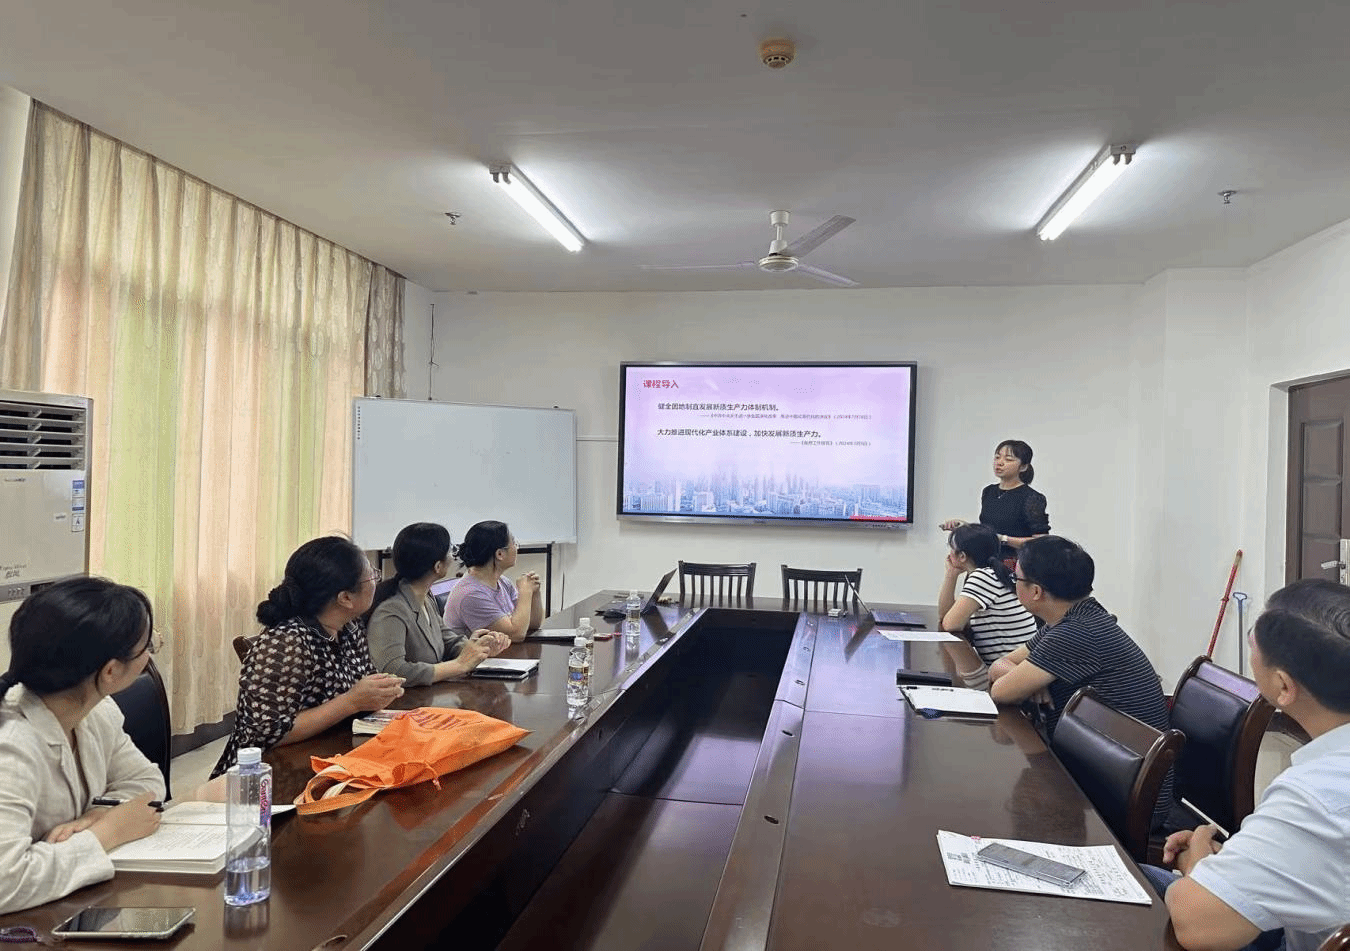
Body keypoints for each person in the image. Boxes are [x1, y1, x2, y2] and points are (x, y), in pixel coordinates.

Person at [1148, 579, 1350, 951]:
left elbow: (1197, 926)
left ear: (1283, 686)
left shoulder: (1314, 796)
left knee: (1139, 884)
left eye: (1253, 644)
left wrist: (1197, 862)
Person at [0, 577, 166, 915]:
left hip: (63, 908)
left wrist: (99, 813)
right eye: (146, 647)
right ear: (110, 671)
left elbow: (146, 781)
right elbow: (5, 881)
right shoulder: (12, 746)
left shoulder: (95, 711)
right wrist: (107, 833)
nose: (150, 654)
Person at [989, 535, 1173, 825]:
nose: (1014, 584)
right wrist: (1031, 680)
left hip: (1131, 800)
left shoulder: (1074, 633)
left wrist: (1027, 680)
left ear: (1035, 591)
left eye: (1016, 578)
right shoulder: (1073, 619)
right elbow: (1001, 665)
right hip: (1107, 773)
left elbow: (1000, 691)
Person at [212, 536, 406, 778]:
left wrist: (377, 693)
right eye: (372, 576)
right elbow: (267, 732)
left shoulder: (349, 627)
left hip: (328, 754)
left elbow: (361, 685)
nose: (377, 581)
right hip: (265, 776)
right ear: (345, 598)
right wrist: (351, 702)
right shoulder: (286, 642)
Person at [365, 522, 511, 686]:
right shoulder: (391, 610)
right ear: (438, 566)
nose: (453, 556)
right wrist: (458, 666)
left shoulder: (425, 599)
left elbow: (448, 641)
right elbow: (393, 670)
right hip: (407, 699)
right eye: (449, 551)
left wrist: (479, 648)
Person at [937, 523, 1038, 689]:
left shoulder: (983, 577)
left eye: (951, 548)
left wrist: (950, 575)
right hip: (1011, 672)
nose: (949, 554)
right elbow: (945, 617)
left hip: (1010, 678)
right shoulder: (993, 573)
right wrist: (951, 575)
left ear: (962, 556)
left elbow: (950, 624)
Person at [940, 439, 1050, 562]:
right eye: (997, 457)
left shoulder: (1032, 498)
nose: (1000, 463)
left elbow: (1041, 543)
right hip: (986, 562)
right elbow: (988, 530)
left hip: (1015, 564)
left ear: (1023, 467)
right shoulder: (989, 491)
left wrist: (1002, 539)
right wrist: (966, 527)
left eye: (1008, 459)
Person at [442, 521, 542, 643]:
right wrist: (525, 592)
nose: (517, 547)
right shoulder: (471, 594)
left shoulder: (503, 582)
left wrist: (535, 593)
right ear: (500, 554)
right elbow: (516, 634)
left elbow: (532, 624)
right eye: (513, 543)